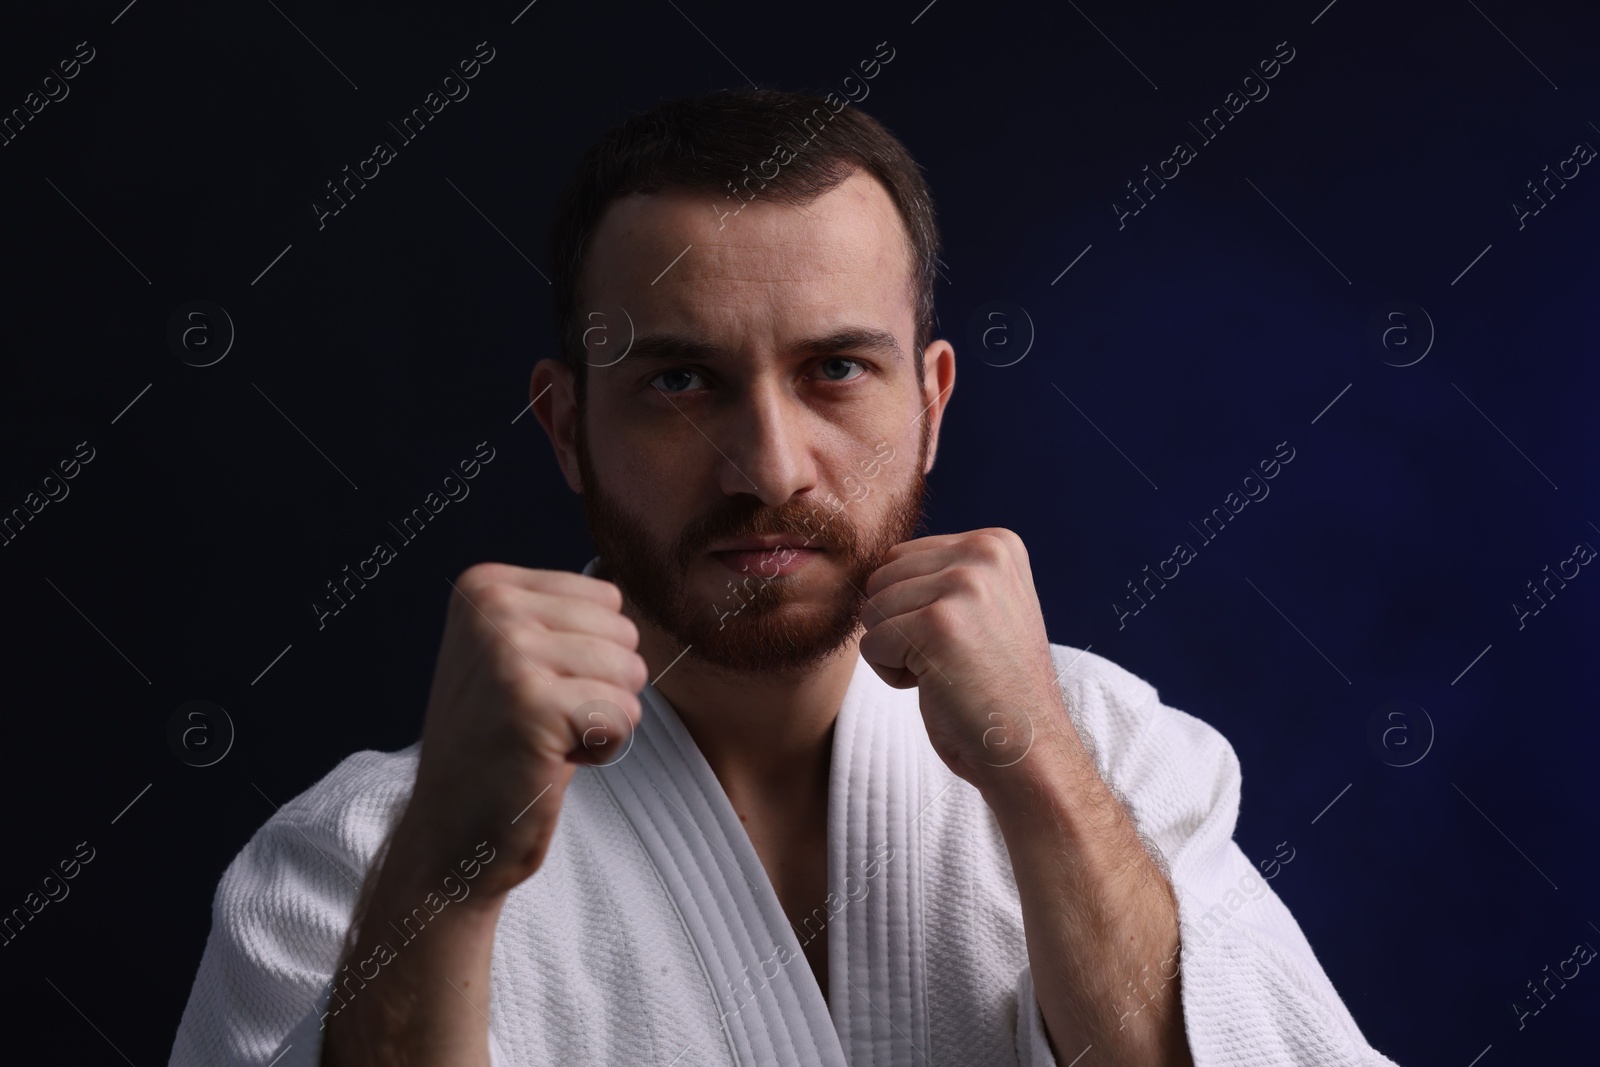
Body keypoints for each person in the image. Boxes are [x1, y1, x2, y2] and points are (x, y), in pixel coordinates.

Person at [168, 88, 1400, 1067]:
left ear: (930, 405)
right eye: (680, 380)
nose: (766, 466)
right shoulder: (350, 858)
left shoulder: (1113, 756)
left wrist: (1038, 775)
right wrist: (448, 867)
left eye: (835, 371)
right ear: (564, 426)